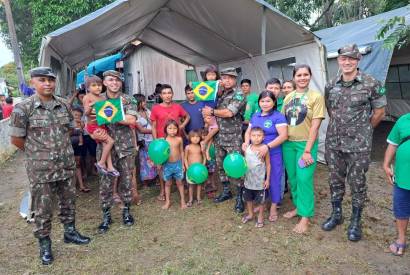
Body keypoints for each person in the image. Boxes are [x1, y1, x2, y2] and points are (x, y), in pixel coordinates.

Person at [9, 67, 90, 265]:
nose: (47, 83)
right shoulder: (23, 108)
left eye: (50, 80)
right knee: (43, 209)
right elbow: (16, 139)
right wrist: (38, 155)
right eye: (42, 80)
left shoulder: (63, 105)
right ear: (32, 83)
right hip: (41, 170)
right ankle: (45, 246)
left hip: (65, 165)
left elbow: (70, 130)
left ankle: (70, 232)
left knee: (68, 202)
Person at [322, 44, 386, 241]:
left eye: (351, 59)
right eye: (343, 59)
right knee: (335, 180)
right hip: (334, 143)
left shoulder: (371, 83)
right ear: (338, 61)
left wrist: (364, 131)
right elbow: (330, 109)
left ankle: (356, 221)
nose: (347, 62)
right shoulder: (331, 84)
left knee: (357, 183)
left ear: (358, 60)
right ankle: (337, 214)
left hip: (359, 146)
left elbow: (379, 112)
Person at [282, 64, 325, 234]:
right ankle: (298, 208)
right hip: (288, 144)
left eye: (305, 74)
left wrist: (307, 150)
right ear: (294, 77)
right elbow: (283, 122)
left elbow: (315, 126)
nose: (302, 78)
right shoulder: (288, 97)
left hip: (305, 145)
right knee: (292, 179)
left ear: (310, 76)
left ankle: (305, 217)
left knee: (304, 179)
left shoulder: (316, 97)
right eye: (299, 75)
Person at [97, 70, 138, 234]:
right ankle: (106, 215)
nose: (114, 83)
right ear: (104, 82)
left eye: (117, 80)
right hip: (104, 147)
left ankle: (126, 211)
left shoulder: (129, 99)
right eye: (110, 80)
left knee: (127, 180)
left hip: (125, 146)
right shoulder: (98, 99)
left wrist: (109, 114)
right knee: (105, 182)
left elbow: (131, 120)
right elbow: (90, 123)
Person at [202, 67, 247, 213]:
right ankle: (226, 191)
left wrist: (212, 112)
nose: (226, 80)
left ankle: (240, 196)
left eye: (230, 78)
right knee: (220, 166)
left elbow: (229, 112)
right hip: (219, 136)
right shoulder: (219, 94)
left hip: (233, 137)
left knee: (236, 167)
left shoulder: (239, 94)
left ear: (235, 79)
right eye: (224, 77)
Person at [243, 91, 288, 222]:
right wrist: (246, 143)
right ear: (259, 103)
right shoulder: (256, 115)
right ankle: (263, 202)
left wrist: (267, 147)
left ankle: (274, 205)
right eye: (262, 101)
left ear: (274, 102)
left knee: (273, 178)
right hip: (254, 154)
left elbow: (284, 136)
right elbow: (248, 132)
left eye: (268, 101)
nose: (265, 103)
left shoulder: (278, 116)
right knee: (257, 177)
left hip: (273, 153)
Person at [151, 84, 190, 201]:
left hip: (176, 140)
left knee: (177, 161)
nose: (167, 95)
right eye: (164, 93)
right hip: (161, 142)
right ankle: (163, 189)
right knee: (161, 167)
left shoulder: (177, 107)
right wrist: (155, 142)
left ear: (172, 94)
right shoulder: (155, 108)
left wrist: (181, 126)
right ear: (160, 95)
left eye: (169, 93)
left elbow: (187, 116)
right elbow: (153, 126)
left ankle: (180, 184)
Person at [383, 113, 410, 256]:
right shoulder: (404, 120)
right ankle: (401, 238)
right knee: (401, 207)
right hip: (403, 175)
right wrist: (386, 164)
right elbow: (392, 144)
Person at [82, 75, 119, 177]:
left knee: (106, 145)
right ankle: (101, 163)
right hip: (93, 126)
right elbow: (86, 113)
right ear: (88, 88)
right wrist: (90, 107)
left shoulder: (102, 97)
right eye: (94, 85)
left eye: (99, 85)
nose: (98, 87)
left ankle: (110, 167)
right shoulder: (87, 97)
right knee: (110, 141)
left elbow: (107, 111)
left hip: (102, 125)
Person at [241, 127, 271, 228]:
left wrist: (267, 179)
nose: (256, 138)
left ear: (263, 137)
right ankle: (250, 214)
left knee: (261, 201)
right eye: (253, 135)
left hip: (260, 182)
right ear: (249, 137)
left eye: (259, 136)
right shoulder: (247, 148)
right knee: (248, 199)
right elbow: (244, 163)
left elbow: (268, 165)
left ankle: (260, 217)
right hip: (248, 180)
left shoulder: (264, 149)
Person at [162, 120, 187, 209]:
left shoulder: (179, 139)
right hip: (167, 165)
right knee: (168, 184)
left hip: (178, 164)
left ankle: (183, 201)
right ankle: (168, 201)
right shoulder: (163, 141)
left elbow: (182, 152)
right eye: (170, 128)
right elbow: (159, 154)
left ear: (177, 129)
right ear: (166, 129)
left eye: (175, 128)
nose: (172, 130)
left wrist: (183, 164)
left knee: (180, 183)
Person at [133, 94, 157, 187]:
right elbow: (141, 130)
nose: (145, 103)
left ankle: (153, 178)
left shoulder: (148, 111)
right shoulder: (134, 114)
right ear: (138, 102)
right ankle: (145, 182)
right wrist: (155, 131)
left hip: (152, 139)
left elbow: (154, 122)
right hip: (143, 141)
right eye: (143, 101)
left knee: (153, 159)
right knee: (144, 161)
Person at [184, 130, 206, 207]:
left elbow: (204, 157)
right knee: (190, 185)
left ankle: (198, 198)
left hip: (199, 171)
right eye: (193, 136)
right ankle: (190, 199)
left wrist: (203, 166)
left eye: (197, 137)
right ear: (189, 138)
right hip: (190, 170)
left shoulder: (201, 147)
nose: (195, 138)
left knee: (199, 184)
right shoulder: (187, 147)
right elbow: (185, 158)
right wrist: (187, 168)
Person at [71, 107, 90, 193]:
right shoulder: (68, 123)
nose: (77, 117)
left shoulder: (80, 123)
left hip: (77, 146)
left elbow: (81, 131)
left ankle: (81, 185)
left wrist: (80, 124)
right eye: (75, 115)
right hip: (68, 147)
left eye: (79, 115)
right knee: (70, 166)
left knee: (78, 164)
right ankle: (72, 186)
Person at [201, 128, 218, 198]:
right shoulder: (202, 143)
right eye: (203, 135)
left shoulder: (212, 142)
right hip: (204, 161)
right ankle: (206, 184)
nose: (205, 137)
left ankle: (212, 182)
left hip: (212, 160)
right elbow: (202, 153)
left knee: (212, 173)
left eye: (206, 135)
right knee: (205, 173)